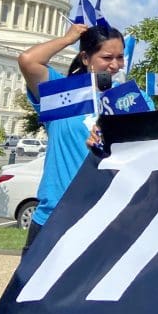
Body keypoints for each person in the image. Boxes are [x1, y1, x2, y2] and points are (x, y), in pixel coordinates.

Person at [18, 23, 140, 249]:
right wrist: (68, 39)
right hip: (55, 216)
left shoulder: (132, 99)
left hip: (108, 217)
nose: (115, 65)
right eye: (107, 57)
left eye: (120, 57)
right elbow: (28, 60)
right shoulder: (62, 93)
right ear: (86, 58)